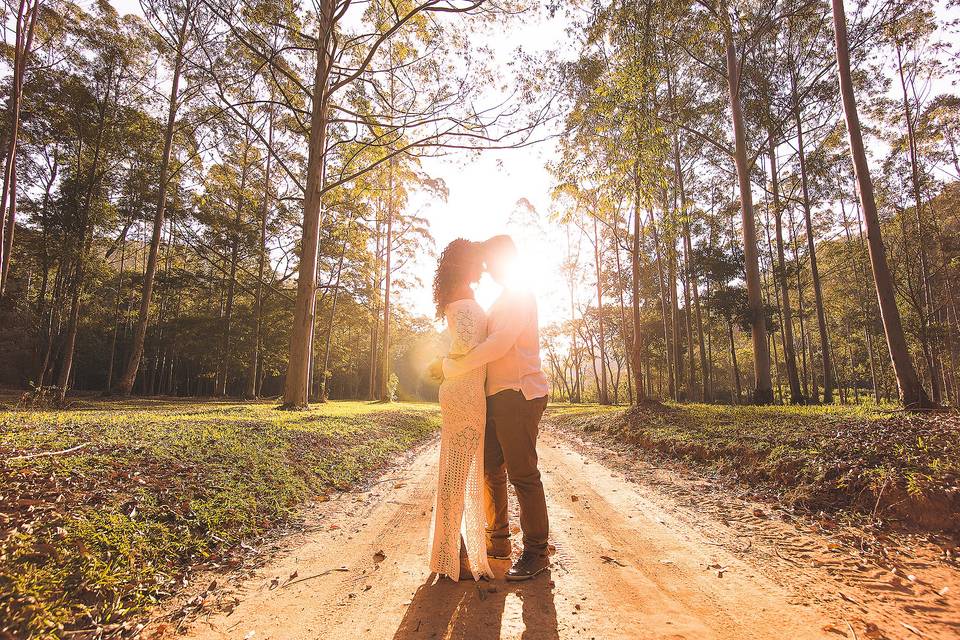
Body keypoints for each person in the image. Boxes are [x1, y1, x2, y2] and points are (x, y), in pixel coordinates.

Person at [433, 234, 551, 581]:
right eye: (484, 263)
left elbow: (499, 344)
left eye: (491, 261)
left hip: (519, 392)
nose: (486, 268)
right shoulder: (501, 299)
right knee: (488, 466)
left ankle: (536, 552)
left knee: (523, 474)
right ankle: (498, 540)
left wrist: (457, 365)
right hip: (496, 396)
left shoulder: (519, 295)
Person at [428, 239, 494, 582]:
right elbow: (466, 347)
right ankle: (453, 556)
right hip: (465, 393)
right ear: (465, 262)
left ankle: (451, 552)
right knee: (457, 475)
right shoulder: (462, 293)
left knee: (457, 473)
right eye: (478, 262)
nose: (483, 268)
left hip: (466, 390)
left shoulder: (459, 290)